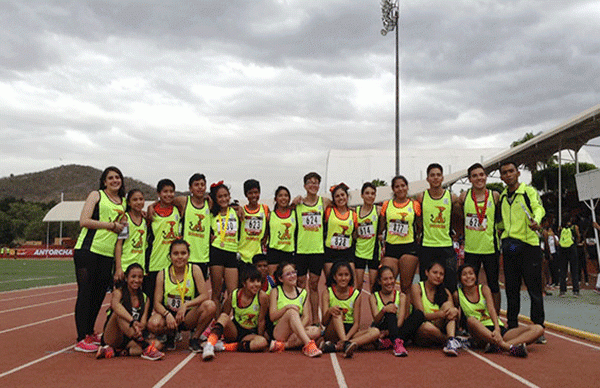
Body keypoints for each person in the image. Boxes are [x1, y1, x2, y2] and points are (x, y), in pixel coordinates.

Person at [73, 166, 126, 353]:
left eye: (117, 177)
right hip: (88, 250)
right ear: (104, 181)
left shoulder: (123, 202)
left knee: (98, 296)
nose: (114, 180)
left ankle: (89, 332)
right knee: (85, 293)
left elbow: (126, 224)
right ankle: (80, 338)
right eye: (110, 178)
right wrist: (111, 225)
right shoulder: (96, 195)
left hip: (107, 255)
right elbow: (84, 221)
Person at [497, 161, 546, 339]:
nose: (509, 174)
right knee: (511, 288)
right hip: (510, 244)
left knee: (534, 288)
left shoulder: (528, 191)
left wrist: (536, 220)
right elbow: (501, 220)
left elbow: (539, 208)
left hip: (528, 245)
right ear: (501, 177)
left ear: (518, 173)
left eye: (511, 171)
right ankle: (512, 326)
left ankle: (538, 328)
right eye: (505, 172)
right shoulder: (502, 196)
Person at [146, 239, 217, 360]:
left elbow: (204, 295)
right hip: (169, 316)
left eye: (183, 253)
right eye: (176, 254)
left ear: (188, 255)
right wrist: (167, 314)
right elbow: (156, 303)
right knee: (153, 323)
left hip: (187, 316)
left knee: (210, 306)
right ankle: (169, 334)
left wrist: (186, 305)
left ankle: (195, 338)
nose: (180, 257)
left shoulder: (194, 270)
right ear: (170, 256)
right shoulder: (162, 274)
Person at [455, 264, 544, 357]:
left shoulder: (483, 289)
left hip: (498, 330)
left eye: (471, 273)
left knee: (538, 328)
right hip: (479, 332)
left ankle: (499, 346)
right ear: (460, 278)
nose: (468, 277)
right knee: (471, 320)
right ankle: (507, 347)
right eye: (464, 274)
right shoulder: (458, 294)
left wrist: (497, 329)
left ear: (475, 276)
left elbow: (491, 309)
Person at [96, 263, 164, 361]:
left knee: (158, 345)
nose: (136, 280)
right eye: (133, 277)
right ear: (127, 278)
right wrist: (132, 322)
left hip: (132, 337)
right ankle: (145, 348)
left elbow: (143, 322)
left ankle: (116, 352)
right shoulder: (118, 293)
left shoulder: (145, 298)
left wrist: (140, 327)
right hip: (113, 335)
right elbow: (116, 306)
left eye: (140, 277)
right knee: (119, 315)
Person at [457, 163, 501, 313]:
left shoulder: (495, 196)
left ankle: (496, 318)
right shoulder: (464, 197)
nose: (479, 178)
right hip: (471, 249)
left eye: (481, 174)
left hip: (490, 248)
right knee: (468, 284)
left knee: (493, 285)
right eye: (475, 175)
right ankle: (469, 316)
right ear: (469, 179)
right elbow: (458, 218)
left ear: (486, 176)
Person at [293, 172, 332, 325]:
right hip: (301, 250)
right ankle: (303, 318)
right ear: (304, 186)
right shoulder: (298, 204)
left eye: (316, 182)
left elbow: (341, 204)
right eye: (310, 182)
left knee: (314, 285)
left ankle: (316, 319)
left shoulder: (324, 202)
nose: (313, 185)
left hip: (317, 250)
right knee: (300, 285)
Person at [204, 265, 269, 355]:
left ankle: (224, 347)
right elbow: (224, 314)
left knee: (262, 342)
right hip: (234, 330)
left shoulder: (262, 296)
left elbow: (261, 320)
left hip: (249, 334)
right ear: (244, 283)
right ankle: (209, 345)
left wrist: (259, 336)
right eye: (252, 281)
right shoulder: (234, 295)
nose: (256, 285)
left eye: (258, 281)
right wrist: (218, 331)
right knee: (223, 316)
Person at [320, 261, 380, 358]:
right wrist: (330, 311)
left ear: (350, 277)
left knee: (375, 331)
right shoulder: (327, 293)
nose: (343, 278)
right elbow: (324, 322)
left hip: (350, 332)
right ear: (334, 277)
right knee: (337, 313)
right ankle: (346, 345)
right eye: (340, 275)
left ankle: (339, 346)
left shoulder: (356, 295)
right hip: (333, 330)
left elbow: (356, 324)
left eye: (346, 275)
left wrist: (346, 339)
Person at [416, 164, 461, 293]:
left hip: (445, 246)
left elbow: (458, 216)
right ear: (427, 179)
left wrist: (457, 233)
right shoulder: (422, 197)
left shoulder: (451, 198)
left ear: (442, 178)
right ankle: (428, 312)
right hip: (427, 246)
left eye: (438, 175)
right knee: (426, 284)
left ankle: (451, 311)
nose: (435, 178)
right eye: (432, 175)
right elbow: (418, 218)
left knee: (450, 284)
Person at [369, 265, 426, 357]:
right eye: (385, 279)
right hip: (382, 326)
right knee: (390, 308)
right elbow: (376, 320)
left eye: (391, 278)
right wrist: (384, 310)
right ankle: (397, 343)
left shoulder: (401, 296)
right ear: (379, 281)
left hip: (394, 328)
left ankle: (390, 341)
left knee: (419, 314)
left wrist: (388, 332)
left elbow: (400, 322)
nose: (389, 282)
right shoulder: (373, 297)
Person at [268, 262, 322, 357]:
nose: (292, 276)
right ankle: (308, 345)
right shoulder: (276, 292)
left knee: (316, 331)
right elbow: (272, 317)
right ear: (281, 278)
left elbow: (306, 317)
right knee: (292, 311)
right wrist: (286, 308)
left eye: (294, 273)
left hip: (296, 331)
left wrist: (296, 331)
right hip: (280, 331)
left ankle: (284, 345)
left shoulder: (303, 293)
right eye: (288, 274)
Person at [380, 176, 421, 294]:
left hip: (409, 248)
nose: (400, 189)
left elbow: (419, 225)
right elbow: (382, 227)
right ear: (393, 189)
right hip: (391, 247)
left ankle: (406, 312)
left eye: (403, 185)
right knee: (387, 284)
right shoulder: (386, 205)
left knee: (405, 286)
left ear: (407, 187)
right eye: (397, 186)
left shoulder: (414, 204)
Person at [411, 261, 461, 356]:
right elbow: (420, 316)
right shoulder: (417, 288)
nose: (438, 276)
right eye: (435, 273)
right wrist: (439, 314)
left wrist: (454, 313)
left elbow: (453, 315)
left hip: (438, 325)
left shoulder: (445, 292)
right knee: (427, 327)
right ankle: (448, 339)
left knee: (450, 307)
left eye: (441, 274)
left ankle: (451, 341)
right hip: (422, 331)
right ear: (426, 272)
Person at [145, 179, 181, 309]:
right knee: (151, 298)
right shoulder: (151, 213)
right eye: (165, 191)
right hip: (155, 263)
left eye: (171, 191)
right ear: (158, 193)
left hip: (173, 264)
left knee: (171, 298)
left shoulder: (178, 210)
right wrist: (151, 205)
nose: (169, 194)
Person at [208, 181, 239, 313]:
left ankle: (223, 320)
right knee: (216, 292)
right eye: (220, 197)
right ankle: (215, 322)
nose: (224, 199)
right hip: (216, 252)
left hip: (231, 252)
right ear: (215, 199)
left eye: (226, 195)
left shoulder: (237, 211)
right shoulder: (211, 214)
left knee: (233, 294)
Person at [178, 173, 212, 280]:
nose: (200, 187)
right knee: (185, 290)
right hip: (186, 257)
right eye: (196, 184)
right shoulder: (184, 202)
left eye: (202, 184)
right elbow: (165, 201)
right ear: (190, 188)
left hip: (203, 257)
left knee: (201, 291)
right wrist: (151, 206)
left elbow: (226, 207)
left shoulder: (209, 204)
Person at [323, 183, 357, 278]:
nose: (340, 198)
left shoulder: (353, 214)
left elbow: (355, 233)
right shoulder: (329, 210)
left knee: (351, 282)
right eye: (337, 196)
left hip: (347, 252)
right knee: (331, 283)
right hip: (330, 252)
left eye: (343, 195)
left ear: (347, 196)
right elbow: (322, 200)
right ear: (333, 199)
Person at [114, 189, 147, 283]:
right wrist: (118, 268)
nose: (139, 202)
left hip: (140, 268)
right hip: (126, 267)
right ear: (129, 203)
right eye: (135, 200)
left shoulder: (144, 220)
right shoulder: (125, 219)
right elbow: (119, 244)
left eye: (141, 199)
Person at [354, 182, 381, 292]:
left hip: (373, 252)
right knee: (358, 286)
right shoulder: (355, 212)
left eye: (373, 194)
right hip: (359, 252)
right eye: (367, 193)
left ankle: (374, 309)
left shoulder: (378, 211)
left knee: (373, 287)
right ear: (362, 195)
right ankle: (357, 309)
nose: (370, 196)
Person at [238, 179, 270, 267]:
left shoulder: (265, 209)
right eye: (250, 193)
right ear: (246, 194)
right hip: (242, 254)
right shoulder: (242, 211)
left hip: (258, 254)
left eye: (256, 192)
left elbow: (268, 225)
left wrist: (265, 236)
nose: (253, 195)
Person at [267, 186, 296, 276]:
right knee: (273, 282)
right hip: (274, 252)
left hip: (289, 253)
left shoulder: (294, 214)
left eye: (286, 195)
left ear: (289, 198)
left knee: (289, 281)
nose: (283, 198)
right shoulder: (270, 215)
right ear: (276, 199)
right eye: (280, 196)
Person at [558, 216, 580, 296]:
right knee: (574, 269)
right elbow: (578, 237)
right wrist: (575, 243)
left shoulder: (561, 228)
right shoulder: (574, 227)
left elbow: (560, 238)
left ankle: (562, 290)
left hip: (562, 249)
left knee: (563, 270)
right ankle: (576, 290)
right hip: (572, 248)